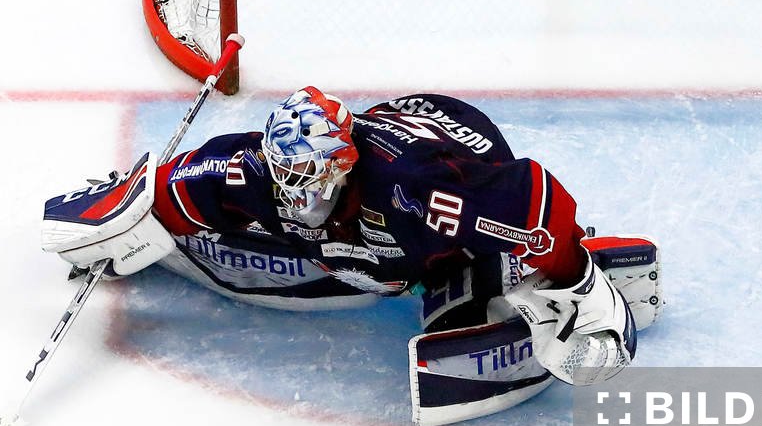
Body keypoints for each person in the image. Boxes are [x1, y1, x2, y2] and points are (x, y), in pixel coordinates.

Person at [41, 89, 660, 409]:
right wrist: (123, 217)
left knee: (462, 246)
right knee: (288, 238)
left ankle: (489, 275)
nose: (294, 195)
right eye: (285, 177)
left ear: (341, 165)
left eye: (308, 181)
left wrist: (571, 273)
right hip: (388, 156)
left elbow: (534, 204)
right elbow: (175, 185)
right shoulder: (260, 166)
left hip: (456, 144)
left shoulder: (417, 194)